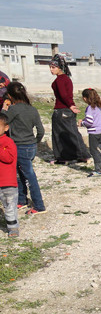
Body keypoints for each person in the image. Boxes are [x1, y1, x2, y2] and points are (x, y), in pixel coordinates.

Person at [4, 82, 46, 215]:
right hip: (31, 146)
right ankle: (22, 200)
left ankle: (39, 205)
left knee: (29, 176)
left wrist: (4, 108)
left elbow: (1, 122)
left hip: (20, 147)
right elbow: (41, 130)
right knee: (21, 173)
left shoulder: (13, 110)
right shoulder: (32, 109)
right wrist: (36, 142)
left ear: (10, 96)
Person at [49, 54, 89, 164]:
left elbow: (63, 95)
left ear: (59, 67)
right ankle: (81, 155)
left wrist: (70, 105)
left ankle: (62, 158)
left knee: (59, 135)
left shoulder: (60, 80)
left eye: (53, 67)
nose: (51, 70)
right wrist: (71, 105)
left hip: (62, 110)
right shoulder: (66, 78)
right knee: (72, 133)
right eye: (50, 68)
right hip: (67, 109)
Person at [79, 88, 101, 177]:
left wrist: (82, 123)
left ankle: (98, 169)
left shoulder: (89, 108)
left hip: (94, 132)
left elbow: (89, 122)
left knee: (93, 150)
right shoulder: (98, 106)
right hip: (100, 131)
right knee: (95, 149)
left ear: (85, 98)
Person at [0, 113, 19, 237]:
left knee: (10, 206)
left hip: (8, 183)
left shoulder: (8, 142)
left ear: (6, 128)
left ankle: (13, 228)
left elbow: (9, 158)